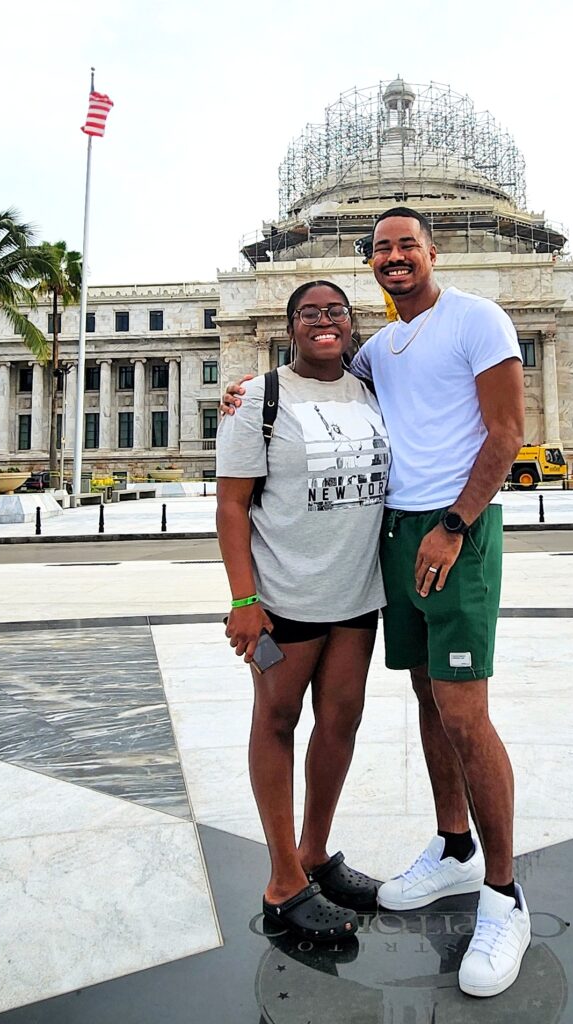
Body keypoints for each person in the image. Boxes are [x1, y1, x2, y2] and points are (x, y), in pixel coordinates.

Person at [222, 207, 528, 997]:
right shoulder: (378, 354)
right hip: (380, 549)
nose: (395, 256)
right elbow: (258, 460)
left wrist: (456, 525)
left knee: (461, 711)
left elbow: (505, 433)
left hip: (450, 532)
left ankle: (503, 892)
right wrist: (246, 392)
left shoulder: (478, 316)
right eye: (381, 247)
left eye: (407, 244)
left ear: (433, 251)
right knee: (426, 701)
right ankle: (451, 847)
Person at [216, 280, 391, 944]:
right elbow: (231, 506)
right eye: (309, 313)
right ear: (288, 328)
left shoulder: (372, 391)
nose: (324, 320)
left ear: (351, 325)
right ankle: (282, 880)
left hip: (356, 591)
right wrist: (243, 599)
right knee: (279, 719)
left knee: (341, 720)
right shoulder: (256, 400)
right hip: (284, 595)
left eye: (335, 311)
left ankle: (315, 853)